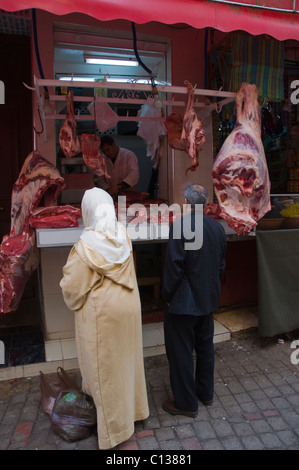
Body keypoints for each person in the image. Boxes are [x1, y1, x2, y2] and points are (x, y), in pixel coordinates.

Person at [59, 187, 149, 449]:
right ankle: (135, 412)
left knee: (105, 374)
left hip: (104, 317)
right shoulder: (122, 234)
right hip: (129, 307)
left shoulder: (85, 247)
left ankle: (118, 434)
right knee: (127, 364)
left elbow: (73, 291)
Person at [161, 183, 226, 418]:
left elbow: (173, 268)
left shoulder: (179, 226)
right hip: (207, 301)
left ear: (186, 203)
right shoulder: (218, 229)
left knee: (181, 353)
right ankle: (205, 393)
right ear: (206, 205)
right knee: (205, 348)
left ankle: (186, 403)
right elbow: (220, 266)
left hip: (182, 304)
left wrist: (167, 297)